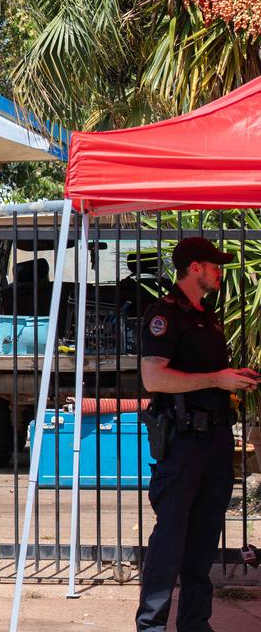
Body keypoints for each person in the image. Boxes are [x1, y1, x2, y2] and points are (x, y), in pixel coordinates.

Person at [136, 236, 256, 632]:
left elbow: (210, 381)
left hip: (216, 441)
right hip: (183, 442)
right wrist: (217, 378)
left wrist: (233, 381)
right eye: (215, 264)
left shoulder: (209, 316)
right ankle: (152, 625)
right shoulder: (164, 314)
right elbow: (154, 378)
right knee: (170, 537)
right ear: (194, 268)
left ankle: (194, 624)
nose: (220, 271)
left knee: (204, 540)